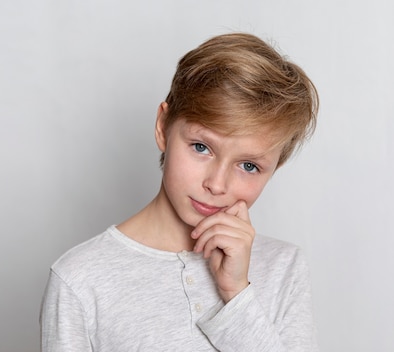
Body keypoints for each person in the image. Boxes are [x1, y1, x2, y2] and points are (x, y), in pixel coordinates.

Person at [40, 32, 319, 351]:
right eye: (201, 147)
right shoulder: (80, 279)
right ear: (163, 127)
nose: (217, 184)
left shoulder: (283, 266)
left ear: (274, 170)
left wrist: (236, 294)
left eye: (249, 166)